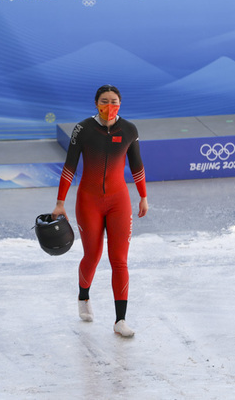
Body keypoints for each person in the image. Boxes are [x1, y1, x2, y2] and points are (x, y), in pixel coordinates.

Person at [51, 84, 148, 338]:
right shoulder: (83, 129)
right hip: (89, 202)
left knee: (119, 260)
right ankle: (83, 296)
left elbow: (137, 166)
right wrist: (60, 202)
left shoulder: (129, 130)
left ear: (120, 103)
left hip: (118, 202)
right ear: (96, 103)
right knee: (92, 255)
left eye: (114, 101)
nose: (109, 105)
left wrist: (143, 197)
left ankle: (120, 320)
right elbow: (69, 167)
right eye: (104, 101)